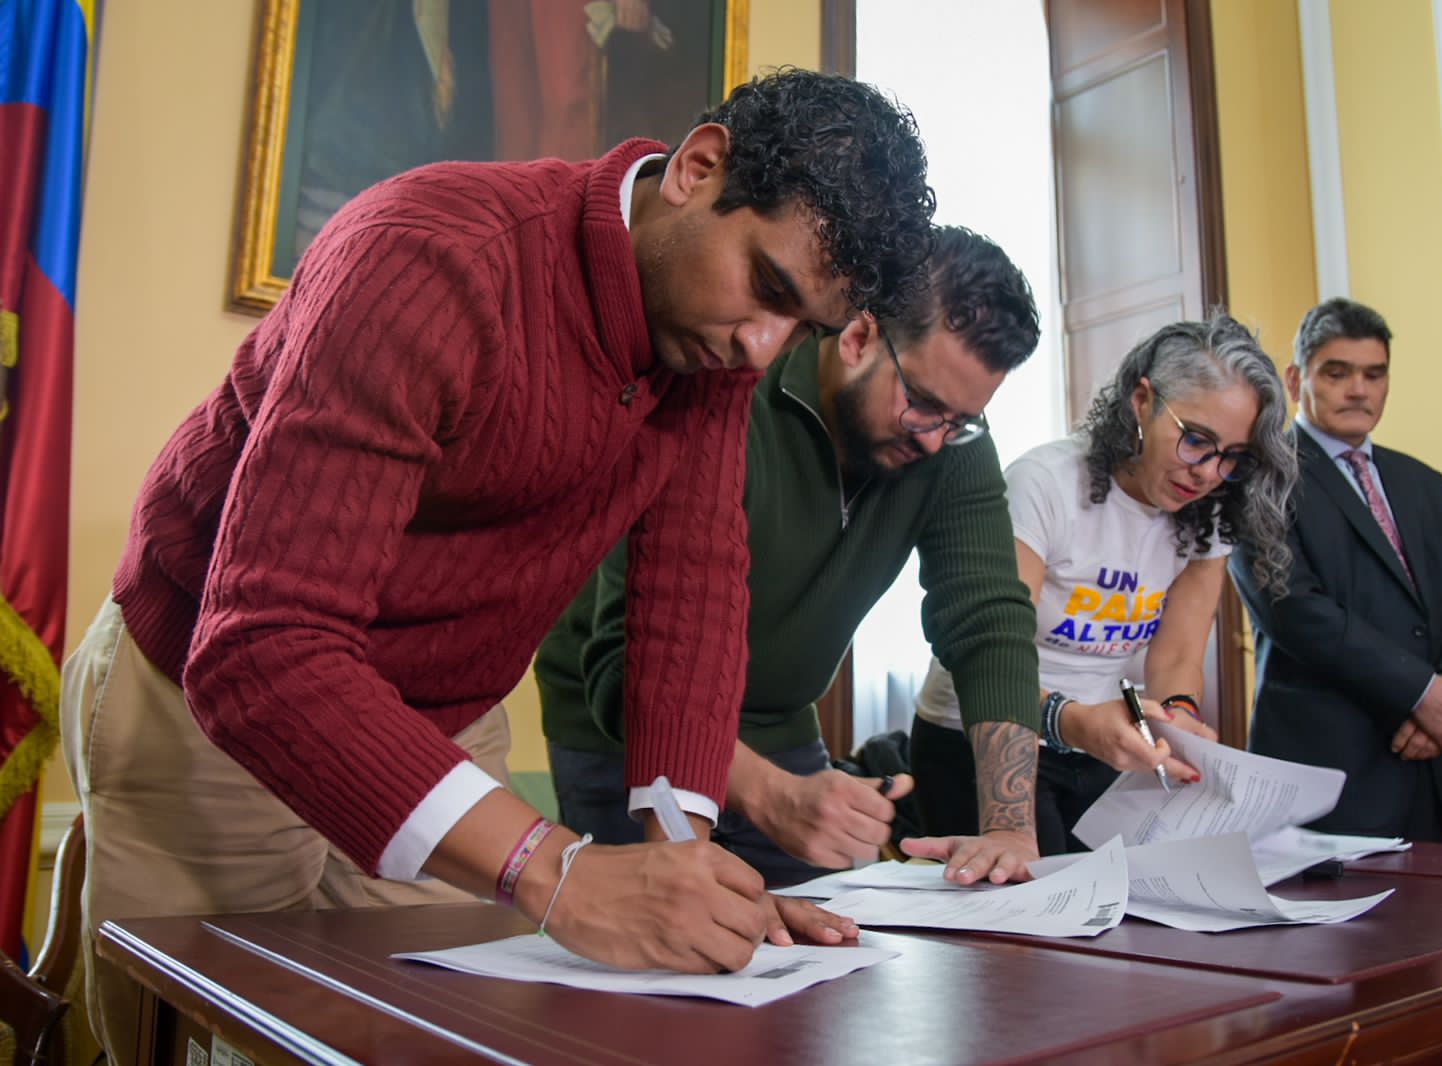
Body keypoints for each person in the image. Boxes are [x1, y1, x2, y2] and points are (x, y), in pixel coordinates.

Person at [59, 68, 935, 1063]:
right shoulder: (431, 254)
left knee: (429, 1039)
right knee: (196, 1039)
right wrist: (555, 869)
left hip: (434, 714)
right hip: (206, 695)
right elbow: (262, 648)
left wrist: (678, 860)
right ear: (698, 169)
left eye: (801, 329)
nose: (761, 347)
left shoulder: (715, 344)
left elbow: (688, 593)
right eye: (768, 288)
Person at [537, 225, 1046, 889]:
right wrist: (771, 796)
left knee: (827, 950)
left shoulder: (949, 441)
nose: (935, 441)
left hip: (778, 722)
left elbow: (989, 623)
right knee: (661, 954)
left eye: (960, 421)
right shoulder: (729, 390)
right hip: (627, 719)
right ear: (860, 337)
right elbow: (625, 664)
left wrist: (1010, 824)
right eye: (923, 406)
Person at [913, 313, 1297, 855]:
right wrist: (1071, 721)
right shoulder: (1045, 484)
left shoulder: (1208, 514)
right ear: (1142, 401)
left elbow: (1178, 656)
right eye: (1196, 441)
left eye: (1232, 456)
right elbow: (991, 653)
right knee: (1023, 918)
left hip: (1102, 743)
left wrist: (1179, 718)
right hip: (982, 733)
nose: (1208, 472)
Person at [1231, 297, 1442, 841]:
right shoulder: (1258, 479)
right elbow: (1295, 611)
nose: (1359, 390)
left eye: (1374, 374)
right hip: (1327, 779)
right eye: (1337, 373)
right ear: (1295, 377)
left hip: (1426, 769)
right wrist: (1424, 694)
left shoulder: (1424, 483)